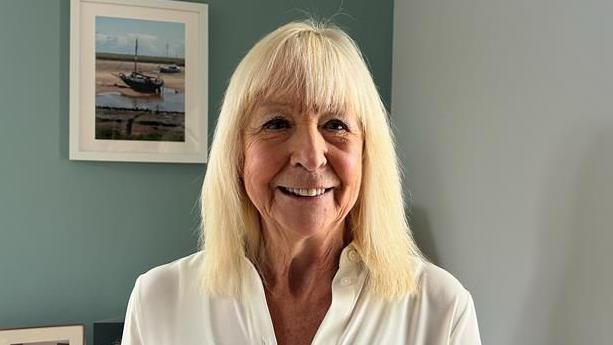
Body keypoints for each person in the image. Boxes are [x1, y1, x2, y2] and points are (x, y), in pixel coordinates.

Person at [121, 19, 482, 345]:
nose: (310, 156)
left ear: (367, 154)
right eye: (277, 123)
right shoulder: (159, 303)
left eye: (336, 125)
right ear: (237, 153)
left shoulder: (441, 312)